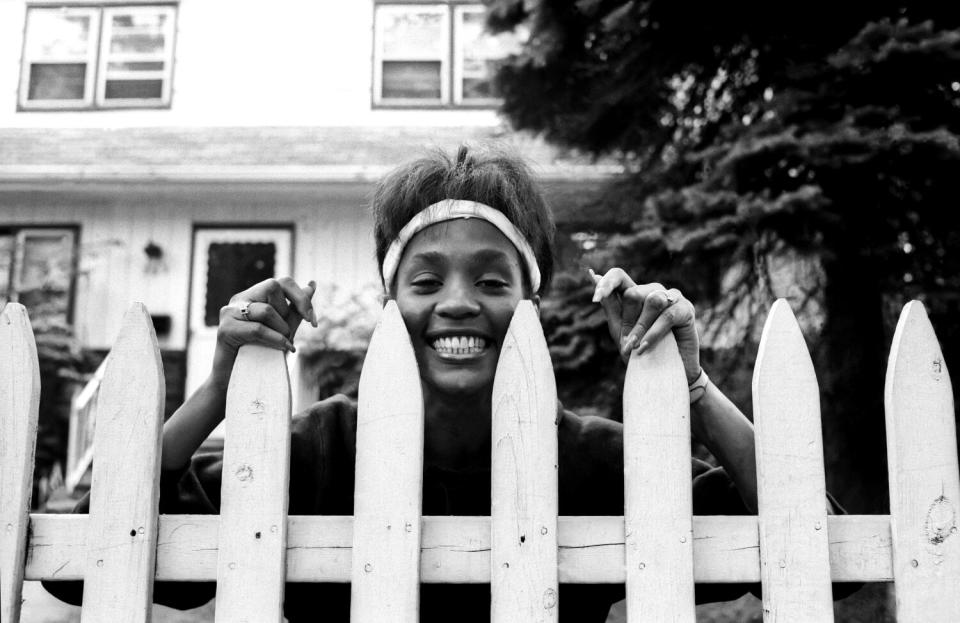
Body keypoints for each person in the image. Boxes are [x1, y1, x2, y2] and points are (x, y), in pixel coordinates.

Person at [45, 145, 849, 621]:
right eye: (426, 279)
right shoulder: (314, 450)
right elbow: (80, 558)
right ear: (391, 301)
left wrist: (696, 390)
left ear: (530, 303)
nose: (459, 300)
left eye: (493, 281)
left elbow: (817, 546)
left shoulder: (598, 460)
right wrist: (220, 389)